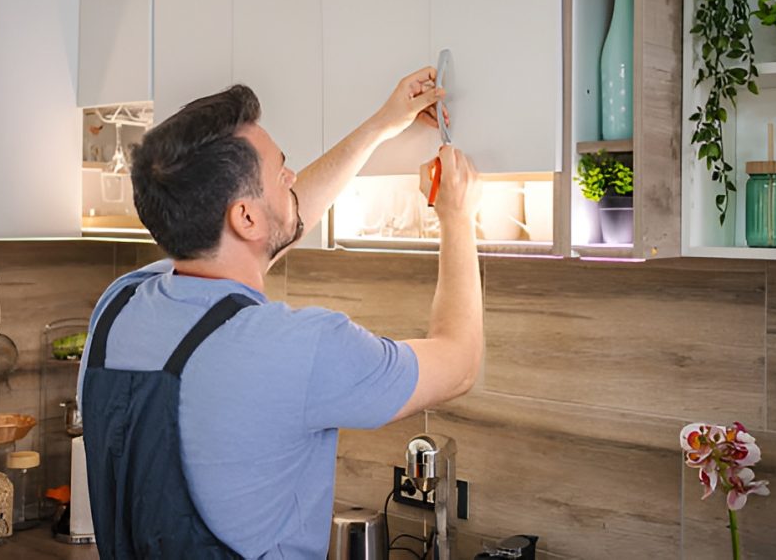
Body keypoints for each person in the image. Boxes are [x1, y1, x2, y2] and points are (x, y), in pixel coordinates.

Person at [76, 67, 483, 559]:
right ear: (245, 216)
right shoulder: (302, 346)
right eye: (280, 170)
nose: (291, 176)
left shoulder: (118, 305)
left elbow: (262, 234)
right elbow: (459, 364)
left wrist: (379, 126)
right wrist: (457, 216)